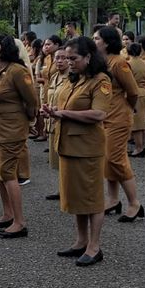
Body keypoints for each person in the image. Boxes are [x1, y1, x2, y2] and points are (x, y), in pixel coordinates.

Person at [41, 37, 111, 267]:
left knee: (91, 197)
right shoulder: (74, 79)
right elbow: (66, 108)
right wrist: (54, 112)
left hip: (87, 148)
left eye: (74, 58)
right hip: (69, 145)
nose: (69, 62)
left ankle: (94, 246)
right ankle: (81, 241)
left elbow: (99, 114)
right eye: (67, 58)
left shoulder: (100, 80)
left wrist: (64, 114)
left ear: (89, 57)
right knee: (76, 197)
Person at [0, 35, 38, 238]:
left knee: (8, 174)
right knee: (1, 174)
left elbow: (31, 100)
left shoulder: (17, 71)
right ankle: (7, 214)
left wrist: (29, 121)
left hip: (11, 129)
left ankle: (19, 221)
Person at [93, 27, 142, 222]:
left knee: (116, 158)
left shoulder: (119, 62)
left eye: (97, 38)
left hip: (118, 117)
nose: (94, 41)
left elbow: (133, 91)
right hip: (105, 117)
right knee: (107, 159)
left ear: (106, 42)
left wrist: (128, 109)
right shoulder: (101, 62)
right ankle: (113, 199)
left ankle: (134, 203)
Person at [44, 47, 69, 200]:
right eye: (57, 58)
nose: (59, 61)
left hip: (64, 122)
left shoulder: (72, 78)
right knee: (57, 159)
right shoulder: (55, 77)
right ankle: (62, 190)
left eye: (63, 58)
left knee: (66, 159)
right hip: (53, 122)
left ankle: (68, 191)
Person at [126, 43, 145, 157]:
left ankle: (138, 148)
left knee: (136, 124)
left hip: (136, 93)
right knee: (143, 122)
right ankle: (142, 145)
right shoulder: (143, 62)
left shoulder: (128, 64)